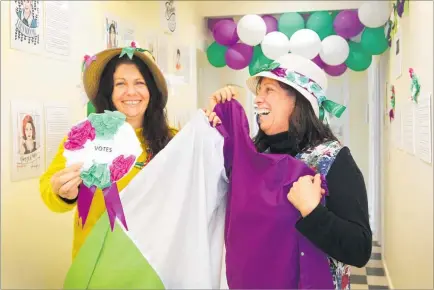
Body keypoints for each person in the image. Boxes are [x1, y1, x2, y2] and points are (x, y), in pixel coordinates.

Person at [205, 53, 372, 289]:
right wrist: (215, 124)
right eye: (259, 91)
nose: (257, 100)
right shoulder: (253, 155)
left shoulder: (333, 160)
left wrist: (313, 212)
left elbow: (359, 250)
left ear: (299, 100)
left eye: (269, 90)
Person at [40, 42, 177, 259]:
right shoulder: (83, 137)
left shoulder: (174, 140)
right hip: (98, 261)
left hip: (156, 262)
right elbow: (49, 190)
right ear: (108, 92)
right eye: (120, 83)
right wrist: (62, 193)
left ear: (151, 90)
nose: (131, 92)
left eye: (139, 83)